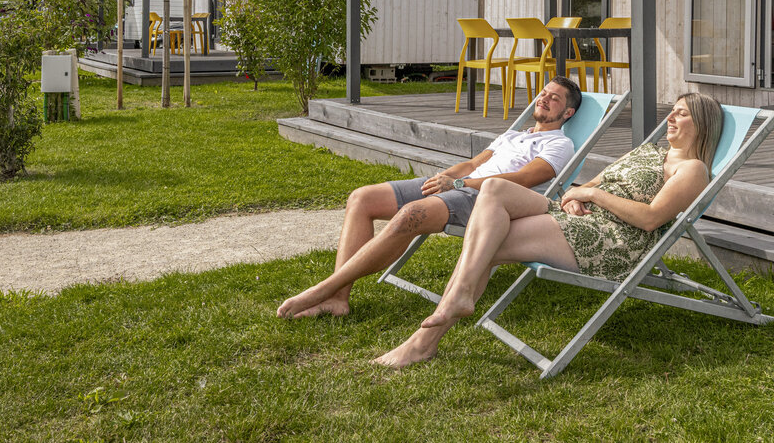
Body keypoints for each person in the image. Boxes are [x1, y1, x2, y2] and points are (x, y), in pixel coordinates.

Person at [373, 91, 723, 369]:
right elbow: (589, 185)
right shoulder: (646, 151)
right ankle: (455, 302)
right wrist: (573, 197)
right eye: (672, 111)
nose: (669, 118)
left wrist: (591, 195)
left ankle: (423, 343)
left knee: (486, 245)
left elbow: (650, 219)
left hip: (611, 240)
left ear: (702, 124)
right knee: (493, 189)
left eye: (681, 114)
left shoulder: (693, 169)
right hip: (579, 217)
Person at [277, 76, 584, 319]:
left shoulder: (559, 144)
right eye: (543, 93)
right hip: (459, 184)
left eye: (554, 98)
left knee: (411, 215)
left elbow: (524, 179)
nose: (544, 99)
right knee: (362, 198)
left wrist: (461, 183)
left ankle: (325, 289)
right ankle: (337, 299)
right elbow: (473, 163)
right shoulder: (513, 135)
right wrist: (444, 178)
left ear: (567, 113)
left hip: (487, 201)